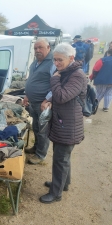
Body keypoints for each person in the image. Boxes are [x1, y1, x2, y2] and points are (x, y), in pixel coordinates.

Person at [39, 43, 87, 204]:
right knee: (63, 157)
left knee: (61, 159)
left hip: (68, 125)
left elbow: (61, 96)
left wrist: (54, 80)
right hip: (63, 121)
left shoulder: (77, 75)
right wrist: (49, 100)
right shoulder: (67, 72)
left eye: (60, 60)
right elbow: (63, 95)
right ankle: (63, 184)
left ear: (71, 58)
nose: (56, 63)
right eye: (54, 60)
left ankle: (56, 193)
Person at [23, 38, 54, 164]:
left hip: (43, 104)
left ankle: (41, 155)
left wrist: (47, 99)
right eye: (35, 48)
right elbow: (31, 80)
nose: (37, 50)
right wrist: (27, 95)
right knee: (35, 127)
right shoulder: (35, 63)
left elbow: (55, 84)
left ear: (48, 48)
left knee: (43, 130)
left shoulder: (52, 63)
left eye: (40, 47)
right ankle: (36, 148)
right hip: (33, 102)